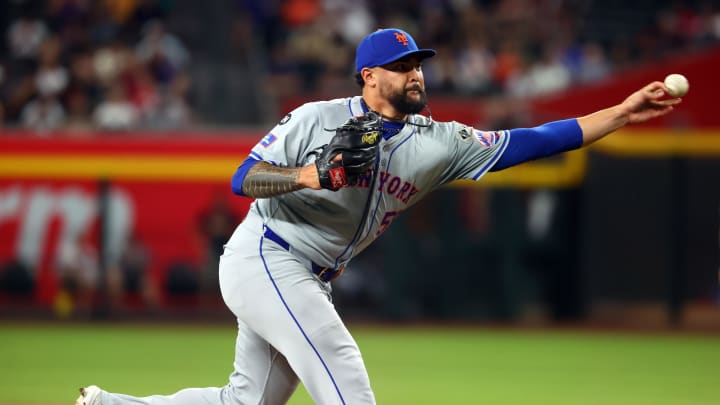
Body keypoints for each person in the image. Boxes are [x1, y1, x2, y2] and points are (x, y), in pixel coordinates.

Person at [75, 28, 682, 405]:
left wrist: (622, 112)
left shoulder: (438, 141)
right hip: (266, 253)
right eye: (402, 66)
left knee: (245, 403)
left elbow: (535, 140)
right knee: (342, 367)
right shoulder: (316, 118)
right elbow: (242, 179)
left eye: (418, 63)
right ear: (370, 76)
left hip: (309, 275)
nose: (415, 73)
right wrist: (312, 175)